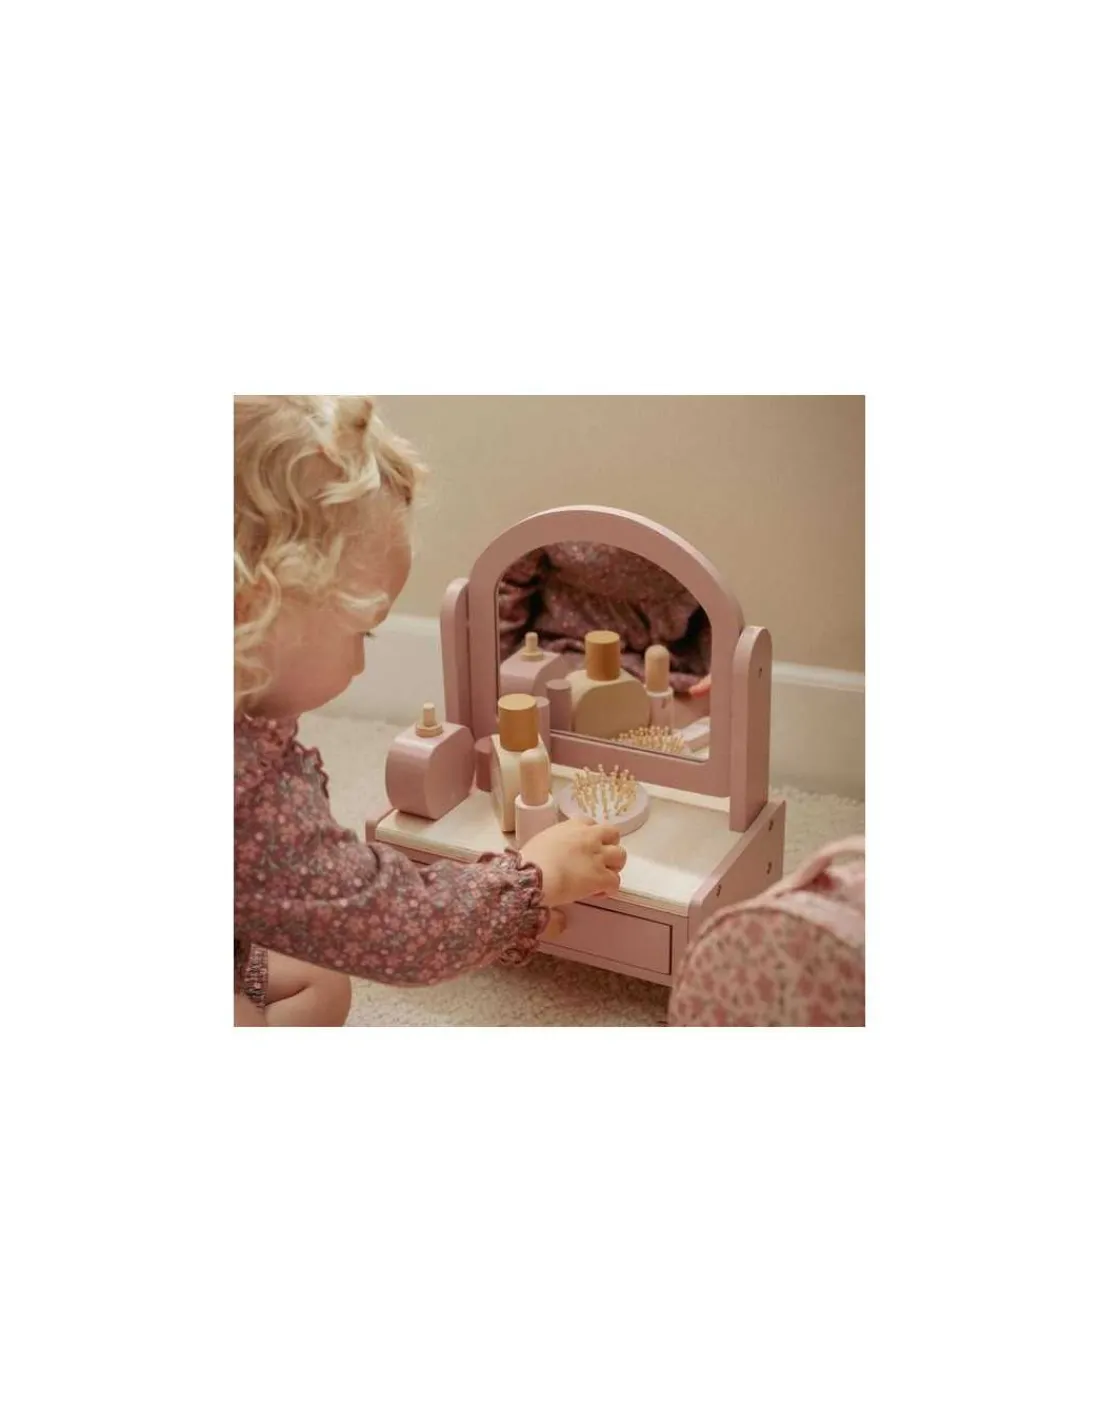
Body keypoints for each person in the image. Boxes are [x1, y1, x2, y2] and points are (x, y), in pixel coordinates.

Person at [235, 396, 626, 1026]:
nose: (361, 661)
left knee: (319, 983)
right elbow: (397, 926)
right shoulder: (249, 800)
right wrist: (536, 878)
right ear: (255, 609)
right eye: (363, 631)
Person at [497, 543, 711, 694]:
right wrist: (494, 667)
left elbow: (719, 592)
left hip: (680, 663)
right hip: (566, 647)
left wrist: (722, 663)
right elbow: (510, 581)